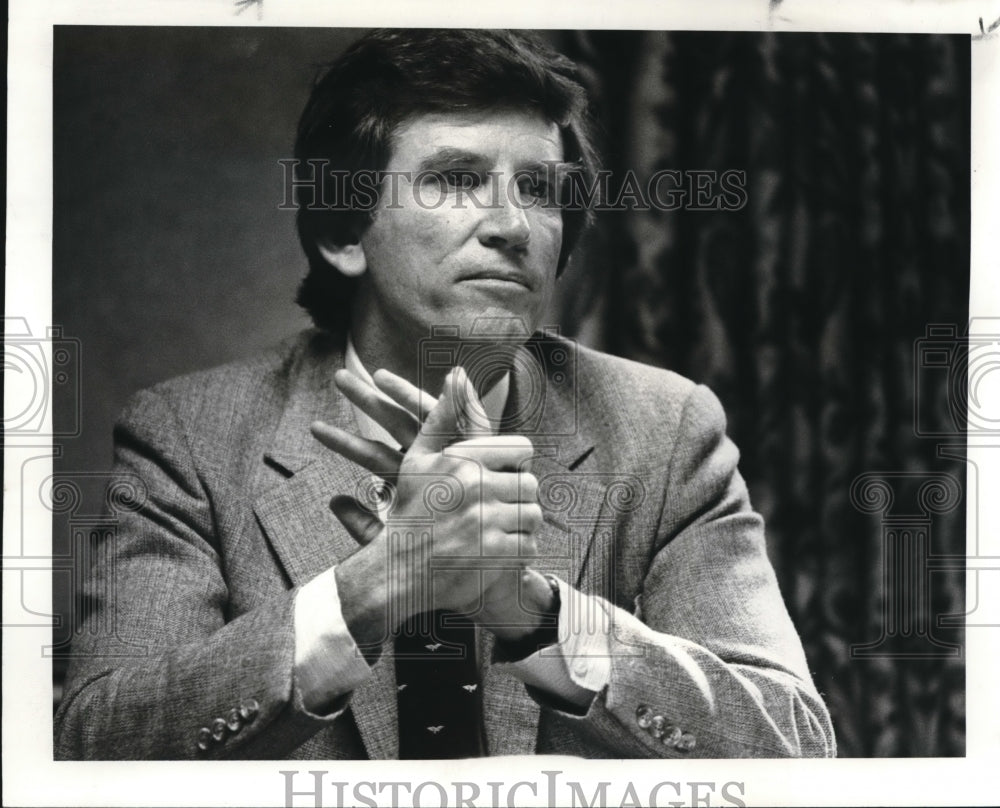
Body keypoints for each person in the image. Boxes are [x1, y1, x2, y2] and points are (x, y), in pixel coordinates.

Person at [54, 28, 836, 760]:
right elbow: (95, 741)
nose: (512, 225)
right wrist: (376, 588)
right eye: (456, 180)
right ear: (344, 233)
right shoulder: (189, 435)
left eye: (538, 187)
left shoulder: (664, 430)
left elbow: (792, 744)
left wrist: (532, 613)